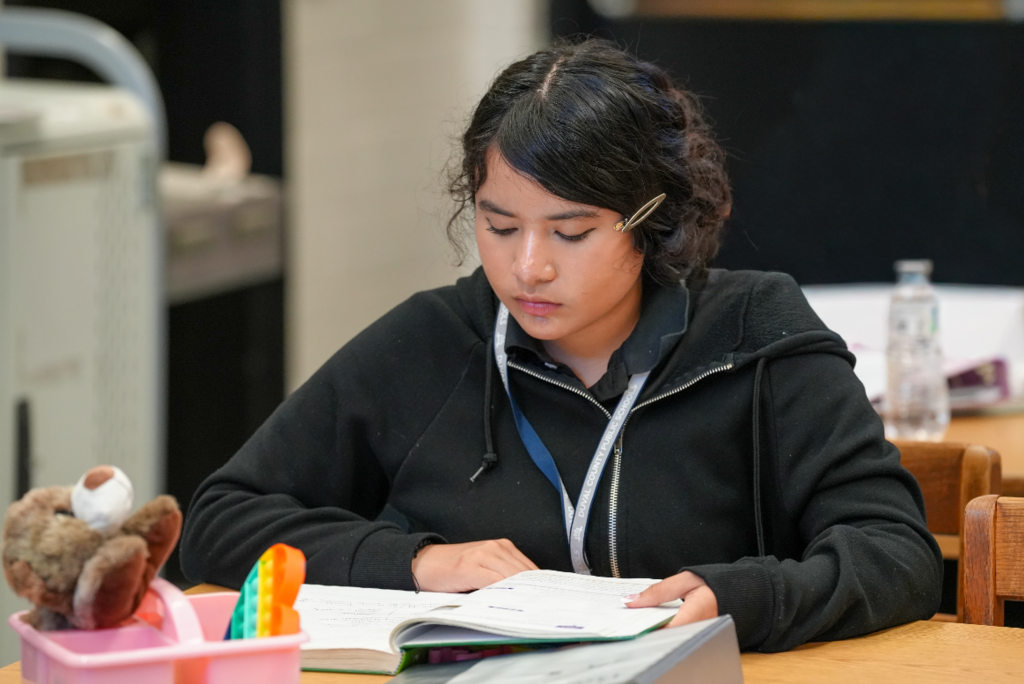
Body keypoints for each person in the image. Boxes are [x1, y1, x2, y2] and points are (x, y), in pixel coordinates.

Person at [180, 39, 942, 652]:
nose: (527, 266)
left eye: (571, 232)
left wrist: (745, 598)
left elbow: (898, 554)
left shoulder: (756, 337)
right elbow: (221, 518)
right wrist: (412, 563)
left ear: (655, 219)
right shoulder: (434, 341)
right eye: (499, 226)